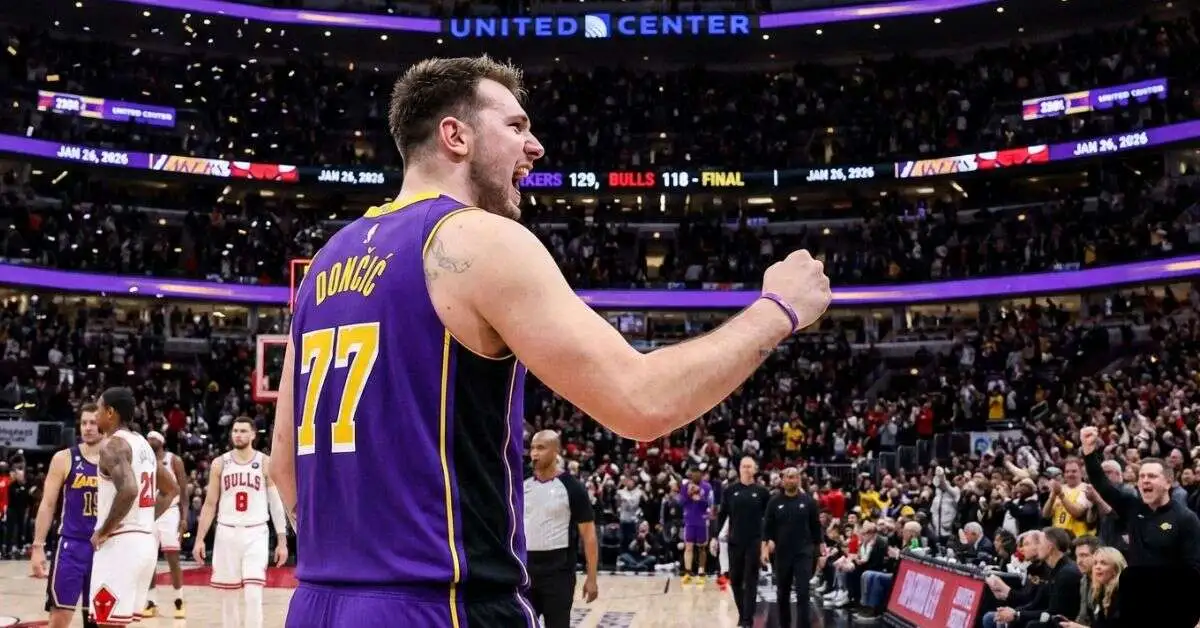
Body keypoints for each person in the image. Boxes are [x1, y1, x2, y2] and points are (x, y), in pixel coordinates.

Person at [267, 55, 832, 627]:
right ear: (455, 135)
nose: (534, 146)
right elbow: (641, 402)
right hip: (443, 605)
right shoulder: (476, 239)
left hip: (318, 602)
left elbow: (284, 467)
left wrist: (356, 563)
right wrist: (777, 310)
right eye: (515, 126)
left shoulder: (323, 262)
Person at [1080, 426, 1200, 627]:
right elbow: (1103, 485)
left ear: (1168, 482)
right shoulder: (1132, 507)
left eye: (1152, 477)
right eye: (1142, 477)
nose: (1145, 481)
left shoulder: (1185, 518)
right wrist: (1089, 452)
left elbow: (1195, 570)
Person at [89, 387, 179, 628]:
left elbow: (129, 490)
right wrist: (145, 517)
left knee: (107, 624)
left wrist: (104, 529)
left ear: (110, 412)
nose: (95, 415)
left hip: (120, 545)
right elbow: (171, 488)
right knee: (122, 623)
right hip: (145, 543)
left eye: (98, 409)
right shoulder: (143, 445)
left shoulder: (113, 446)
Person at [193, 417, 289, 628]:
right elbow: (210, 504)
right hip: (226, 533)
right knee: (229, 597)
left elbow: (275, 503)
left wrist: (282, 541)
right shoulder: (220, 463)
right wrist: (199, 539)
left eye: (244, 431)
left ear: (253, 434)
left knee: (253, 594)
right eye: (235, 430)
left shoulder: (265, 462)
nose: (238, 434)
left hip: (256, 533)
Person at [29, 403, 102, 628]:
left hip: (105, 549)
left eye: (93, 423)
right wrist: (38, 546)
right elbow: (48, 504)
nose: (88, 428)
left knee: (99, 620)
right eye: (84, 422)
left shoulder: (116, 459)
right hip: (72, 546)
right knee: (60, 618)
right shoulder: (64, 458)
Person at [522, 430, 598, 628]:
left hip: (559, 573)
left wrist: (592, 578)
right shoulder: (521, 484)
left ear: (556, 451)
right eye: (532, 448)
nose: (534, 453)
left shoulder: (572, 487)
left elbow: (588, 536)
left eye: (541, 448)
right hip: (525, 570)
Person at [714, 456, 771, 627]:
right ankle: (742, 613)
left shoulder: (762, 492)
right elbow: (722, 514)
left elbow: (768, 519)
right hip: (735, 541)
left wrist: (766, 543)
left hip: (754, 541)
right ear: (739, 469)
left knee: (751, 579)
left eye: (749, 466)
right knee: (735, 580)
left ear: (754, 469)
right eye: (744, 466)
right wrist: (714, 537)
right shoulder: (730, 491)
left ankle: (747, 619)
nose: (746, 469)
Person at [762, 467, 822, 628]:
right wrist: (765, 547)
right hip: (782, 554)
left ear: (799, 480)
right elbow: (767, 528)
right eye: (788, 477)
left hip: (804, 552)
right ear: (783, 480)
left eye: (794, 477)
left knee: (803, 593)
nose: (791, 480)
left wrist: (821, 551)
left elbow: (816, 527)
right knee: (782, 594)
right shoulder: (774, 501)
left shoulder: (808, 501)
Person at [993, 527, 1082, 628]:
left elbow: (1054, 613)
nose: (1037, 547)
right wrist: (1015, 612)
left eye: (1039, 543)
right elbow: (1036, 603)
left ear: (1050, 547)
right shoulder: (1053, 568)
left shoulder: (1066, 573)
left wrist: (1016, 614)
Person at [143, 431, 188, 619]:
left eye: (152, 438)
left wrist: (184, 518)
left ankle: (179, 600)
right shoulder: (144, 460)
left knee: (172, 557)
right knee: (148, 559)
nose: (149, 440)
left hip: (170, 511)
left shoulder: (173, 460)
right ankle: (151, 601)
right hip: (149, 512)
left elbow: (183, 491)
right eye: (148, 438)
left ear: (161, 441)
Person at [680, 466, 714, 584]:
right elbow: (681, 502)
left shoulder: (707, 487)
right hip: (689, 519)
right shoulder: (685, 486)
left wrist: (700, 496)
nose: (695, 475)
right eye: (693, 473)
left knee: (702, 547)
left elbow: (709, 505)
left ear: (701, 474)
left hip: (702, 520)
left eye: (697, 473)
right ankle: (688, 572)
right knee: (688, 546)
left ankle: (701, 572)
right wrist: (689, 494)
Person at [1043, 458, 1092, 539]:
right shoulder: (1060, 488)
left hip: (1077, 537)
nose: (1070, 474)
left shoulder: (1086, 489)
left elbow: (1077, 512)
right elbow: (1046, 515)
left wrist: (1060, 495)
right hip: (1057, 537)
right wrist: (1052, 497)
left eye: (1074, 471)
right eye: (1067, 472)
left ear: (1081, 473)